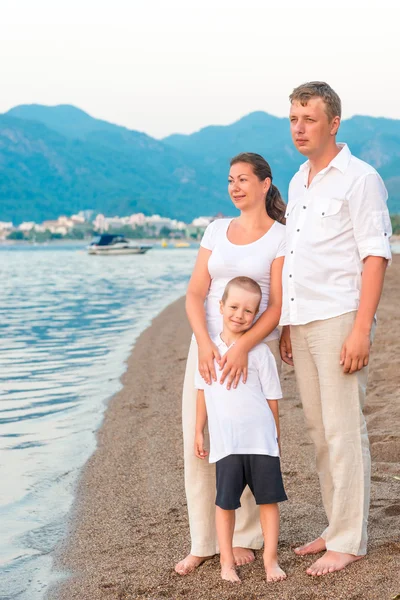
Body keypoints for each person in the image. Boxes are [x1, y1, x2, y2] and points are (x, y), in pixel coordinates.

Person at [279, 81, 392, 577]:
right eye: (293, 119)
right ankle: (335, 523)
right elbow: (295, 257)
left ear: (333, 123)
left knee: (345, 430)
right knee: (320, 431)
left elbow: (375, 254)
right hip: (301, 320)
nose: (299, 128)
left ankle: (349, 540)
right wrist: (285, 323)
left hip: (340, 317)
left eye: (308, 118)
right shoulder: (298, 180)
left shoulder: (361, 179)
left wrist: (361, 328)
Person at [175, 153, 286, 575]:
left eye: (243, 179)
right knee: (202, 442)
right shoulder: (216, 229)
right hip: (207, 349)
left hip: (253, 349)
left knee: (252, 439)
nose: (235, 187)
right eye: (229, 180)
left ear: (264, 184)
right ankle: (203, 542)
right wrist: (206, 344)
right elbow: (194, 293)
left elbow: (276, 305)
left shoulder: (280, 236)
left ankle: (247, 539)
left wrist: (242, 348)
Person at [194, 276, 287, 584]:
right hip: (226, 444)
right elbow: (202, 392)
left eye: (249, 311)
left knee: (268, 502)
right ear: (220, 307)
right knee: (225, 503)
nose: (239, 315)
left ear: (256, 315)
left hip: (261, 441)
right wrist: (199, 430)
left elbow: (272, 398)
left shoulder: (259, 353)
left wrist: (276, 435)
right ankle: (226, 563)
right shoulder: (208, 351)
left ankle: (270, 560)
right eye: (233, 306)